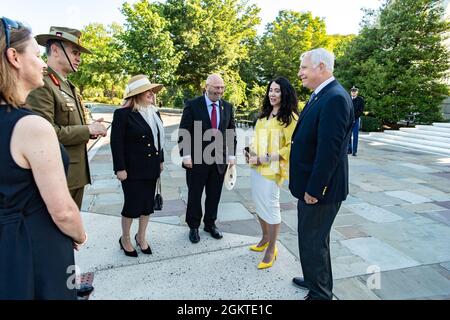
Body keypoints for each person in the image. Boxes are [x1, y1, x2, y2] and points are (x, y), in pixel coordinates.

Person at [0, 17, 87, 299]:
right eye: (36, 55)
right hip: (35, 242)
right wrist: (80, 234)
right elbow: (62, 212)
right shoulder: (29, 125)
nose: (41, 63)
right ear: (14, 57)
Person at [289, 48, 354, 300]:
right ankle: (314, 278)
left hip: (320, 190)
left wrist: (315, 189)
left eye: (304, 67)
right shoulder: (323, 94)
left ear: (322, 67)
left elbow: (330, 152)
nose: (300, 72)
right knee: (313, 239)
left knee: (313, 241)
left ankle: (320, 294)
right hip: (312, 185)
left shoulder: (335, 98)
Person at [26, 26, 107, 209]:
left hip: (74, 174)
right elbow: (45, 134)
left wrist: (89, 130)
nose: (79, 58)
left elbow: (70, 124)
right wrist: (87, 129)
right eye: (75, 52)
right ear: (55, 50)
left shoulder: (68, 85)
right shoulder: (43, 84)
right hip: (57, 177)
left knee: (69, 234)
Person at [245, 77, 298, 269]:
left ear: (285, 93)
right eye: (270, 90)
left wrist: (266, 157)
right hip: (256, 167)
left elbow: (291, 147)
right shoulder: (263, 116)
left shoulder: (290, 118)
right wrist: (249, 152)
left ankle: (272, 248)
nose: (272, 94)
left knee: (271, 206)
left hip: (273, 169)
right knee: (259, 203)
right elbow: (255, 140)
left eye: (277, 91)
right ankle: (265, 237)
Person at [178, 74, 237, 244]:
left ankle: (210, 224)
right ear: (207, 86)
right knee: (195, 194)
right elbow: (184, 131)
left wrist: (232, 156)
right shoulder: (193, 105)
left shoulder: (227, 107)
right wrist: (186, 156)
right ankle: (193, 226)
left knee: (214, 194)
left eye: (222, 88)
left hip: (219, 160)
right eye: (217, 87)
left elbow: (231, 132)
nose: (220, 91)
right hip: (196, 160)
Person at [110, 75, 165, 257]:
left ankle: (141, 237)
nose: (151, 93)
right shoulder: (122, 114)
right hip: (132, 170)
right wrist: (120, 168)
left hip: (151, 167)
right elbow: (116, 143)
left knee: (147, 205)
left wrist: (161, 160)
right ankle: (125, 238)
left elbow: (158, 139)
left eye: (151, 90)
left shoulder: (154, 113)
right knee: (132, 206)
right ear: (138, 94)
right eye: (148, 91)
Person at [348, 86, 365, 156]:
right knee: (348, 135)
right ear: (350, 92)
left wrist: (354, 118)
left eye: (355, 91)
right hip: (348, 119)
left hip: (356, 120)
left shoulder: (360, 100)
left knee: (355, 136)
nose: (353, 92)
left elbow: (360, 111)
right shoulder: (348, 99)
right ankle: (349, 149)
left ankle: (354, 151)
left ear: (357, 92)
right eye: (352, 91)